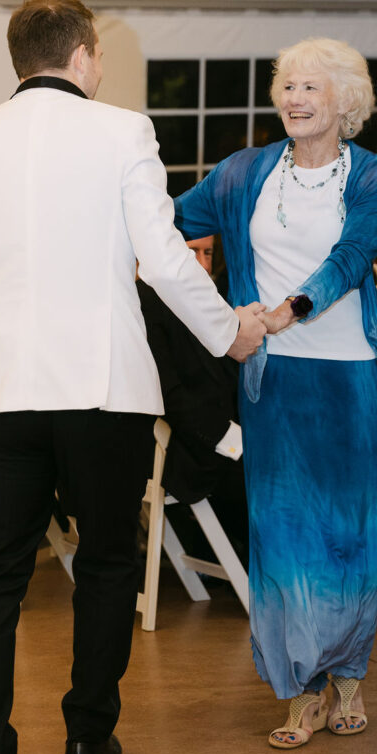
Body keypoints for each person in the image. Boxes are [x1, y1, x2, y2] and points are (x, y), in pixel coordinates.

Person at [0, 0, 265, 754]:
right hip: (102, 389)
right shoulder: (124, 132)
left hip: (2, 392)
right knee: (109, 561)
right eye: (100, 53)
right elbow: (165, 259)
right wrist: (227, 333)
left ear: (20, 58)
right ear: (83, 52)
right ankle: (87, 739)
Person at [173, 37, 377, 750]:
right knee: (280, 534)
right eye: (287, 87)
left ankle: (349, 675)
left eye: (310, 87)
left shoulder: (373, 176)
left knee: (351, 530)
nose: (294, 99)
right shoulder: (242, 173)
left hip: (345, 373)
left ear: (345, 102)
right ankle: (298, 688)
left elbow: (350, 259)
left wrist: (289, 309)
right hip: (272, 378)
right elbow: (167, 224)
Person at [137, 237, 249, 565]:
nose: (201, 262)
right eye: (191, 251)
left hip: (227, 435)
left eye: (208, 252)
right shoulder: (148, 299)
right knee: (278, 475)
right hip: (190, 448)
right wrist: (232, 441)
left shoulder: (214, 299)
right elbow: (168, 394)